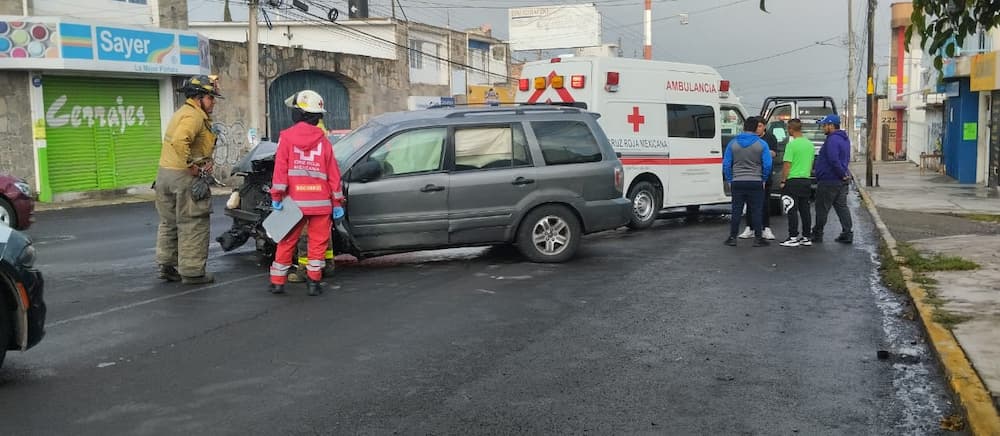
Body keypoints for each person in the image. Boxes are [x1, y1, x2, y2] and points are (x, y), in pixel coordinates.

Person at [268, 90, 345, 296]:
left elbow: (280, 172)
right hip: (321, 203)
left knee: (287, 241)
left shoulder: (286, 138)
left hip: (294, 203)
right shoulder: (325, 142)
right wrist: (337, 204)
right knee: (318, 244)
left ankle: (277, 282)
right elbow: (333, 176)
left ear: (299, 113)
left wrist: (277, 197)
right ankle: (313, 283)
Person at [156, 74, 222, 285]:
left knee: (169, 222)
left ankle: (167, 265)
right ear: (199, 97)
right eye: (211, 98)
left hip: (165, 175)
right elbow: (179, 140)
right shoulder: (194, 117)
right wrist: (192, 165)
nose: (213, 103)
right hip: (184, 178)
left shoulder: (181, 113)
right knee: (194, 223)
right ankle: (193, 272)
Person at [723, 116, 773, 247]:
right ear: (756, 128)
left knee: (736, 210)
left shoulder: (732, 143)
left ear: (744, 127)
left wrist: (729, 179)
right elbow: (767, 164)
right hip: (755, 181)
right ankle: (758, 238)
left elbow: (726, 164)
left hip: (737, 181)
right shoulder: (762, 144)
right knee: (757, 210)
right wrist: (763, 178)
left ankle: (732, 237)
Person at [812, 114, 853, 244]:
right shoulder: (844, 139)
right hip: (841, 180)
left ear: (831, 125)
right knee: (842, 207)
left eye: (824, 125)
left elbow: (833, 160)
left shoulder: (832, 140)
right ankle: (847, 233)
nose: (823, 127)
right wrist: (844, 174)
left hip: (829, 180)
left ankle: (817, 234)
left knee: (822, 208)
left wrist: (841, 173)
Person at [737, 119, 779, 240]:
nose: (757, 128)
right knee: (750, 203)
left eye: (760, 126)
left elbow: (773, 153)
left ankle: (766, 228)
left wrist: (760, 152)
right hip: (750, 175)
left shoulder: (770, 138)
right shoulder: (749, 138)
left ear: (764, 127)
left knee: (765, 203)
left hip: (765, 175)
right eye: (756, 126)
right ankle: (749, 228)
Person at [777, 119, 815, 247]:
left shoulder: (791, 145)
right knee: (805, 210)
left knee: (791, 209)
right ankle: (806, 237)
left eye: (788, 129)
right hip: (805, 180)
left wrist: (783, 180)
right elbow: (810, 164)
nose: (788, 131)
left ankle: (793, 236)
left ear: (791, 129)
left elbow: (787, 165)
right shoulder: (809, 144)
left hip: (792, 181)